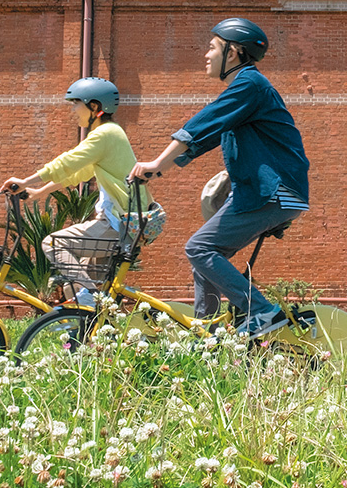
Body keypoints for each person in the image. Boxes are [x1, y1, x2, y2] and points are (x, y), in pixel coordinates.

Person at [130, 18, 309, 338]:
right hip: (270, 192)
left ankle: (262, 312)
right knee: (207, 260)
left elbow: (204, 122)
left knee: (199, 249)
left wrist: (156, 161)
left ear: (234, 52)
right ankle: (207, 338)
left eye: (212, 47)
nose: (206, 55)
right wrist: (159, 169)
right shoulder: (246, 92)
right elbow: (208, 136)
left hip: (274, 192)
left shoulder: (250, 84)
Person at [0, 77, 160, 305]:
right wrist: (37, 192)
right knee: (72, 288)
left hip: (117, 224)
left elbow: (67, 162)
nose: (73, 110)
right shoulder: (110, 135)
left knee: (53, 243)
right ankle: (96, 332)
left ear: (94, 107)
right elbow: (77, 174)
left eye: (76, 104)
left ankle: (92, 301)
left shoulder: (105, 134)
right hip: (120, 225)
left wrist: (24, 181)